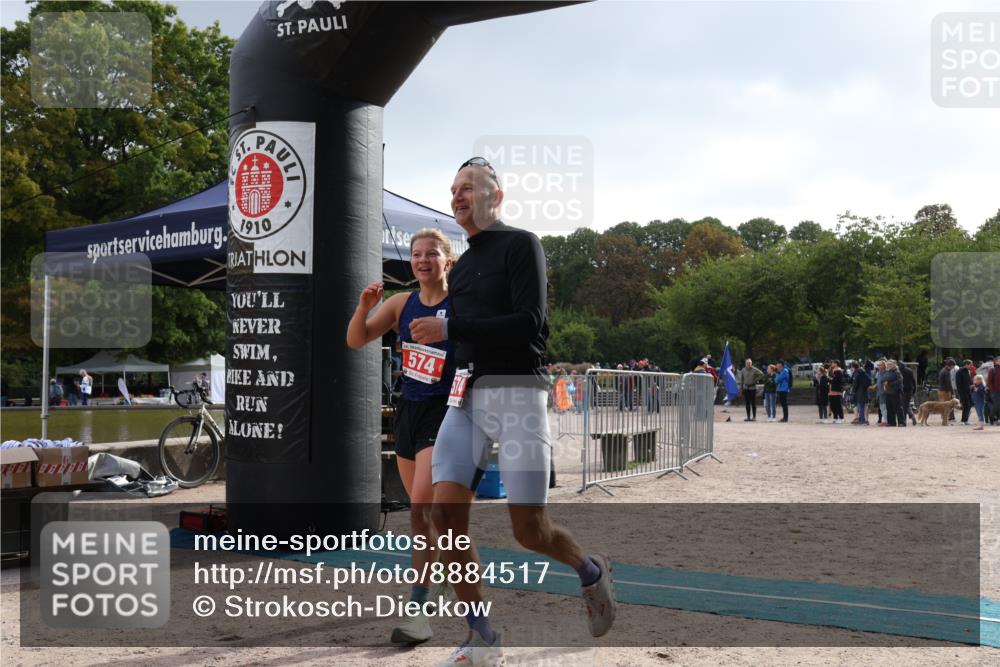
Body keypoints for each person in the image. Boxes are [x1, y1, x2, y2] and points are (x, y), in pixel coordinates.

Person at [409, 157, 615, 666]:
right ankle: (482, 638)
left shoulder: (522, 245)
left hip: (520, 394)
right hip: (465, 400)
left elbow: (530, 324)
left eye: (469, 188)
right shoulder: (460, 269)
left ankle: (590, 571)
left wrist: (451, 331)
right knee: (443, 516)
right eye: (452, 188)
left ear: (495, 197)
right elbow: (460, 339)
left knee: (530, 531)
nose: (457, 196)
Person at [346, 228, 458, 645]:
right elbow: (356, 338)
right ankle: (448, 571)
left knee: (420, 510)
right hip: (409, 412)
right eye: (416, 254)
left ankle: (419, 610)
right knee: (424, 514)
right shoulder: (400, 304)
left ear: (448, 261)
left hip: (447, 411)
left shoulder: (460, 305)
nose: (423, 260)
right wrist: (363, 307)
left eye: (432, 254)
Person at [881, 361, 902, 427]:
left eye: (890, 364)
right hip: (888, 392)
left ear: (894, 365)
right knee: (889, 408)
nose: (888, 366)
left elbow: (900, 380)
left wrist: (890, 383)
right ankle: (891, 422)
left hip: (895, 392)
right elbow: (883, 379)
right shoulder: (887, 372)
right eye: (888, 364)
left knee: (897, 408)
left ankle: (901, 422)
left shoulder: (897, 372)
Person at [851, 361, 871, 425]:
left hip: (859, 391)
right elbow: (870, 380)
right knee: (863, 406)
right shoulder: (864, 372)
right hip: (865, 390)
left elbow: (855, 383)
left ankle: (862, 420)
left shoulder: (857, 373)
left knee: (861, 406)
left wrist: (853, 391)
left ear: (853, 367)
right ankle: (862, 419)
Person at [955, 359, 974, 426]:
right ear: (966, 364)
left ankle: (966, 420)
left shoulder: (968, 371)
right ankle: (963, 420)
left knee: (969, 405)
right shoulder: (959, 371)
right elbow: (958, 383)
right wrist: (960, 392)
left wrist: (972, 385)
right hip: (963, 392)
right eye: (970, 365)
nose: (971, 366)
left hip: (969, 391)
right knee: (966, 406)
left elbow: (969, 381)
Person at [899, 362, 917, 426]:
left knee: (904, 406)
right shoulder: (910, 370)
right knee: (906, 404)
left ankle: (905, 421)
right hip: (910, 389)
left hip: (903, 390)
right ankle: (911, 415)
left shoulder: (900, 371)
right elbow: (913, 380)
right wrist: (914, 389)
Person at [988, 356, 1000, 426]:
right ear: (996, 362)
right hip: (995, 391)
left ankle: (998, 419)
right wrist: (992, 390)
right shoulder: (992, 370)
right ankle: (991, 416)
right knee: (997, 404)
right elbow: (989, 382)